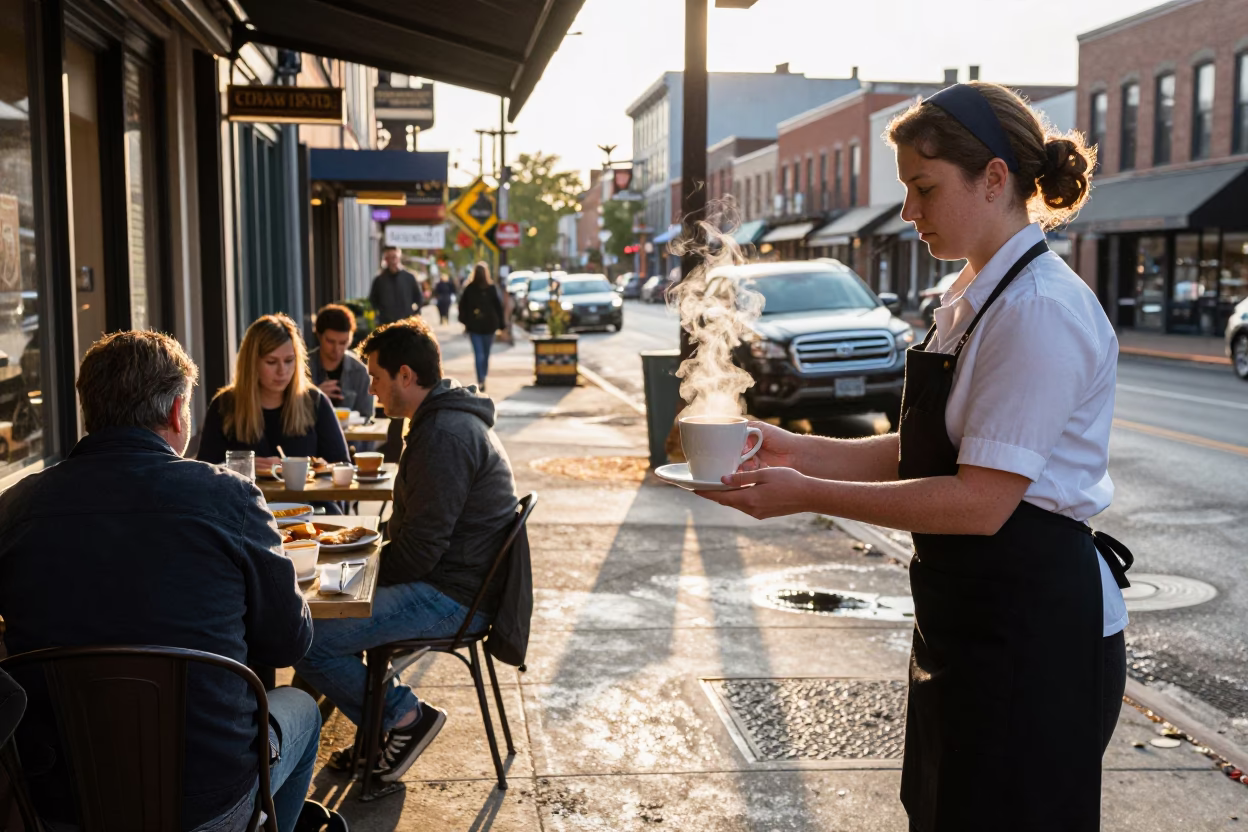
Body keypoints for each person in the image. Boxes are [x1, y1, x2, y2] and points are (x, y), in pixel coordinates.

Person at [695, 82, 1133, 831]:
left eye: (923, 187)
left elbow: (979, 499)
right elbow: (927, 449)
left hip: (1034, 632)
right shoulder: (976, 296)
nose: (908, 211)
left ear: (994, 178)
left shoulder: (1037, 312)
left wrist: (806, 492)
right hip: (971, 615)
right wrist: (796, 447)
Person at [0, 331, 320, 832]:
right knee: (302, 706)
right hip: (207, 801)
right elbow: (287, 642)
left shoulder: (16, 508)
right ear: (176, 413)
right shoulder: (229, 499)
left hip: (60, 804)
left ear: (89, 410)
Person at [295, 316, 518, 783]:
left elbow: (420, 552)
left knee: (306, 636)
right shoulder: (437, 421)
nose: (371, 388)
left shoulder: (444, 435)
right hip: (451, 580)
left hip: (455, 597)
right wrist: (356, 573)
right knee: (325, 605)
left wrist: (358, 578)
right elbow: (419, 542)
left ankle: (403, 718)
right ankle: (379, 725)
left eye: (375, 376)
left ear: (406, 376)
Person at [198, 313, 349, 475]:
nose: (282, 371)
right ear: (252, 363)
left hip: (308, 500)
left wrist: (323, 469)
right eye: (271, 362)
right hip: (247, 500)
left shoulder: (314, 401)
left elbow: (344, 468)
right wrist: (238, 466)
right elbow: (203, 474)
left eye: (289, 360)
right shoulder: (225, 405)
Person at [308, 303, 374, 419]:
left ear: (351, 339)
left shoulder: (360, 371)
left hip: (350, 437)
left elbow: (366, 417)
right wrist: (314, 397)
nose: (337, 349)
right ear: (319, 336)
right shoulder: (302, 367)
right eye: (330, 341)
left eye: (343, 343)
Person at [457, 262, 504, 392]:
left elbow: (498, 307)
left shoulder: (490, 288)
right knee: (481, 354)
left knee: (483, 354)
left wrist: (501, 324)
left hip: (485, 327)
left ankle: (482, 377)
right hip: (479, 327)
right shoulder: (471, 289)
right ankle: (481, 378)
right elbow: (463, 307)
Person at [369, 246, 425, 324]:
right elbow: (373, 300)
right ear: (386, 260)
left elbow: (419, 298)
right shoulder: (379, 279)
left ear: (399, 257)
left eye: (394, 257)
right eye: (389, 258)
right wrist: (378, 315)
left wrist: (415, 313)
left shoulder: (409, 277)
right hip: (386, 324)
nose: (392, 261)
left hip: (406, 323)